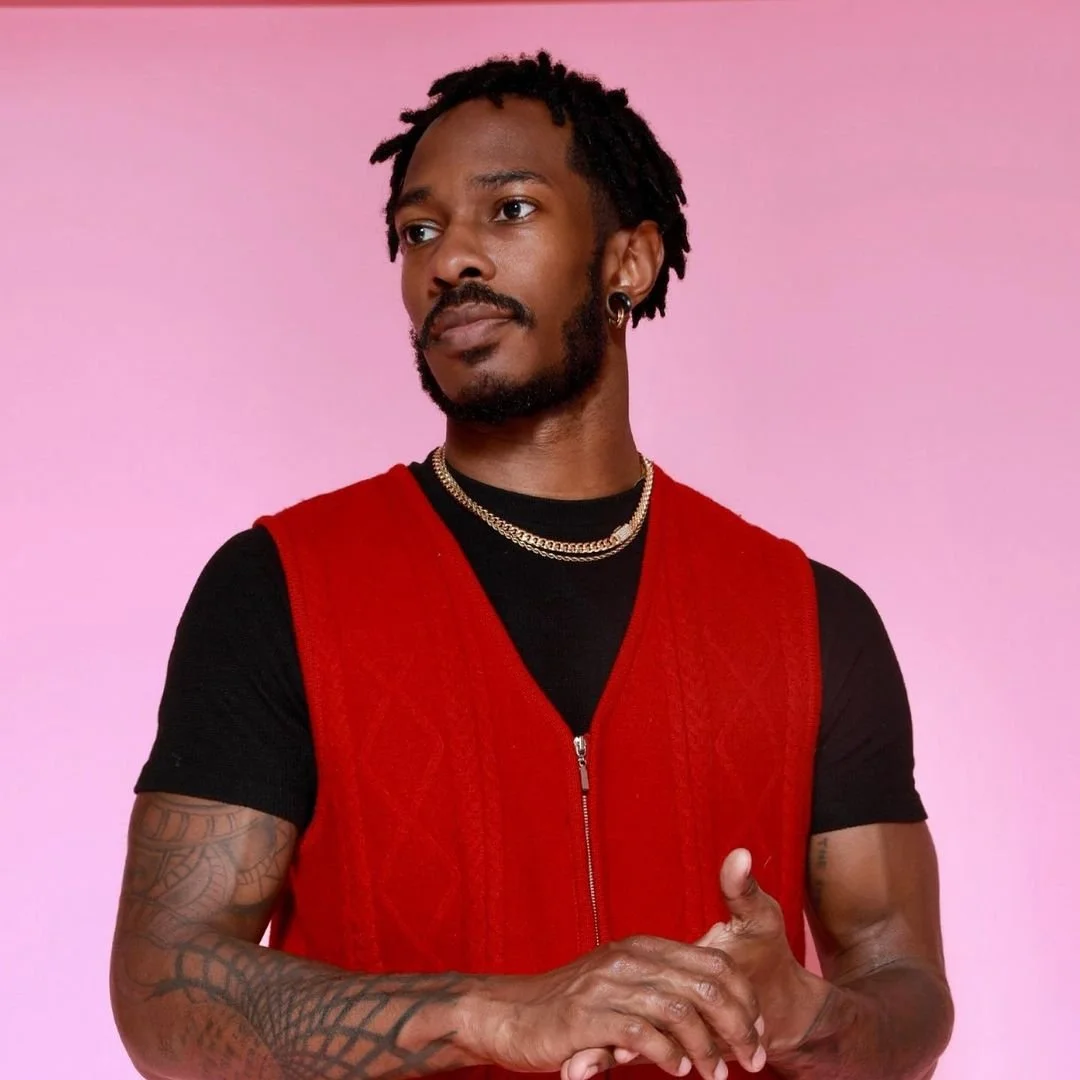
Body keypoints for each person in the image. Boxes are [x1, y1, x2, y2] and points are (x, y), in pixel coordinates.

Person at [110, 52, 953, 1080]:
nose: (450, 260)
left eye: (509, 210)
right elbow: (163, 989)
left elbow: (907, 988)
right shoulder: (279, 586)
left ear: (629, 262)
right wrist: (494, 1014)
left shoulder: (810, 616)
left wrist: (804, 1011)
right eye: (419, 231)